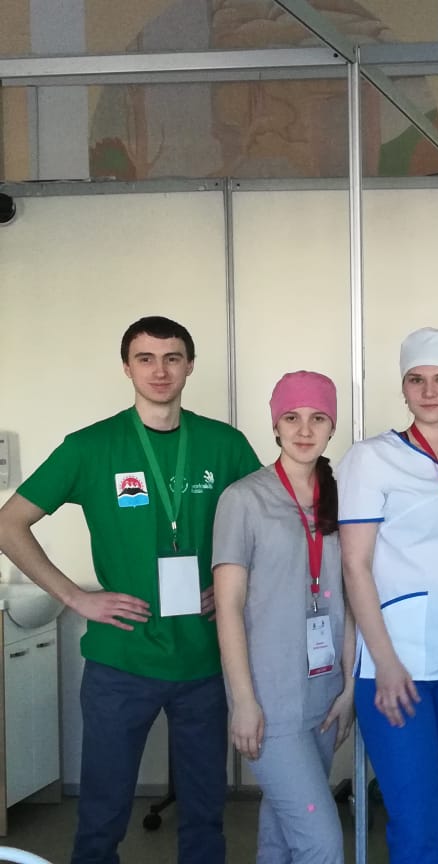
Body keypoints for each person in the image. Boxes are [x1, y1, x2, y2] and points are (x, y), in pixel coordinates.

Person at [0, 316, 261, 864]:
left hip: (205, 660)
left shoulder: (225, 444)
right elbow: (8, 523)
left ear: (190, 366)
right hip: (121, 661)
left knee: (206, 814)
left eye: (172, 358)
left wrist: (233, 588)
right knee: (102, 814)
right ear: (127, 368)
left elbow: (268, 526)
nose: (159, 371)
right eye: (146, 358)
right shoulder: (90, 446)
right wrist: (75, 596)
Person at [335, 328, 438, 864]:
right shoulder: (371, 458)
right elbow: (355, 566)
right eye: (416, 379)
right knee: (415, 815)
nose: (429, 391)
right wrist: (384, 663)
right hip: (397, 662)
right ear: (404, 388)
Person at [212, 371, 355, 864]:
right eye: (291, 418)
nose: (304, 430)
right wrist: (243, 702)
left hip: (325, 694)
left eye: (318, 418)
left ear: (332, 426)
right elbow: (228, 608)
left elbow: (352, 599)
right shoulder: (242, 499)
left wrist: (349, 690)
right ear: (275, 425)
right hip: (269, 700)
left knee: (280, 832)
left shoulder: (343, 497)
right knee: (321, 842)